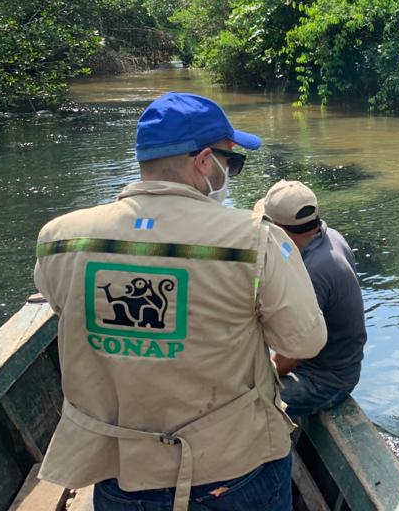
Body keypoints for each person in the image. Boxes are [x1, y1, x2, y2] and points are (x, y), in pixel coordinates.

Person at [33, 92, 327, 511]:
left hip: (121, 472)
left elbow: (64, 308)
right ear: (204, 161)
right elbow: (304, 343)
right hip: (233, 472)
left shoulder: (59, 239)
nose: (231, 173)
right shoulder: (255, 241)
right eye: (232, 162)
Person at [254, 180, 367, 417]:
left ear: (279, 231)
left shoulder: (313, 273)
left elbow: (294, 354)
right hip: (340, 366)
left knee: (247, 404)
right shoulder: (330, 237)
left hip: (324, 380)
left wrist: (254, 379)